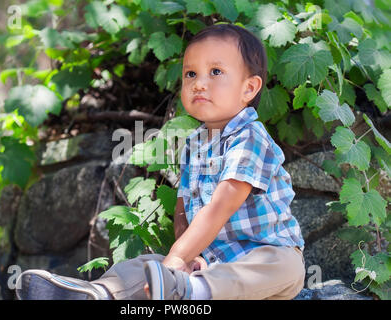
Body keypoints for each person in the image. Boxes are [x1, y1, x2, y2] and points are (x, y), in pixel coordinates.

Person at [16, 23, 305, 301]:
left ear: (249, 88)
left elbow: (220, 207)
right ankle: (99, 293)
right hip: (212, 264)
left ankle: (192, 291)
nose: (199, 84)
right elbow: (184, 210)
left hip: (264, 261)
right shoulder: (195, 143)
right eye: (190, 74)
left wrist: (178, 258)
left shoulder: (250, 138)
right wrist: (190, 257)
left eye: (215, 71)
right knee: (144, 265)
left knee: (280, 265)